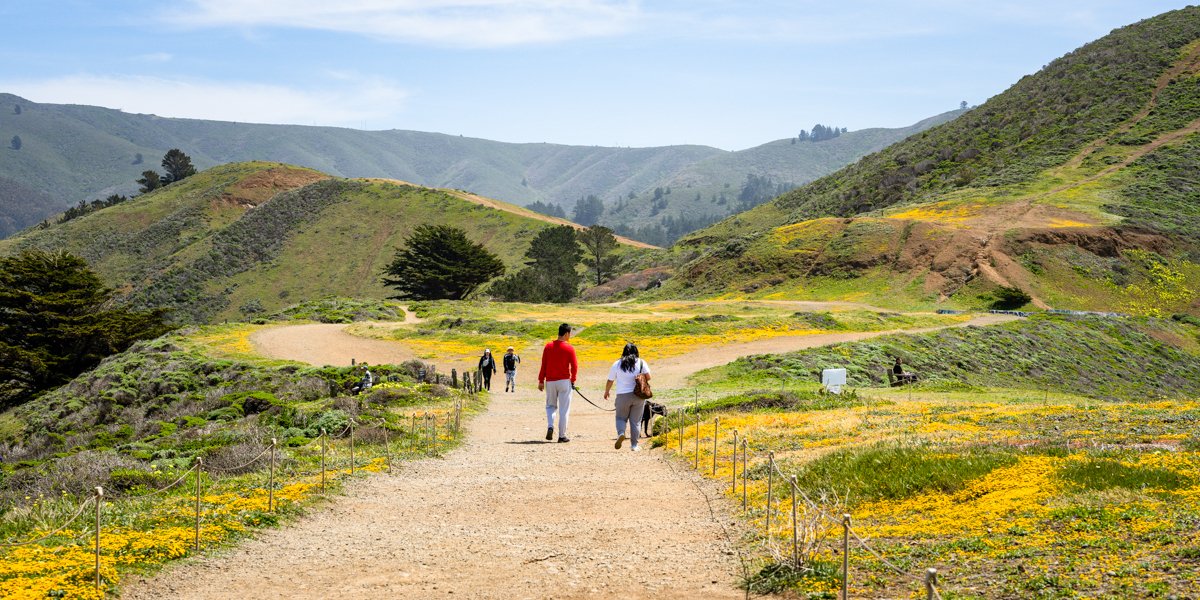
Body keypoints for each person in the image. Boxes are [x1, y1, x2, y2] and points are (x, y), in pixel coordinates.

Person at [605, 343, 651, 452]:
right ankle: (634, 445)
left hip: (622, 396)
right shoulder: (641, 362)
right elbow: (648, 377)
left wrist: (607, 391)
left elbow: (610, 380)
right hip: (638, 395)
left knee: (621, 418)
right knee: (635, 421)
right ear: (636, 351)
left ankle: (621, 433)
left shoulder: (617, 364)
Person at [538, 323, 578, 443]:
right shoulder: (569, 348)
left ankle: (550, 425)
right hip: (564, 381)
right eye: (569, 333)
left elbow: (543, 364)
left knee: (550, 406)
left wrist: (541, 380)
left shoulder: (548, 346)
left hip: (550, 381)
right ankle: (562, 435)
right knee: (564, 409)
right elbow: (574, 366)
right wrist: (573, 380)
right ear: (566, 334)